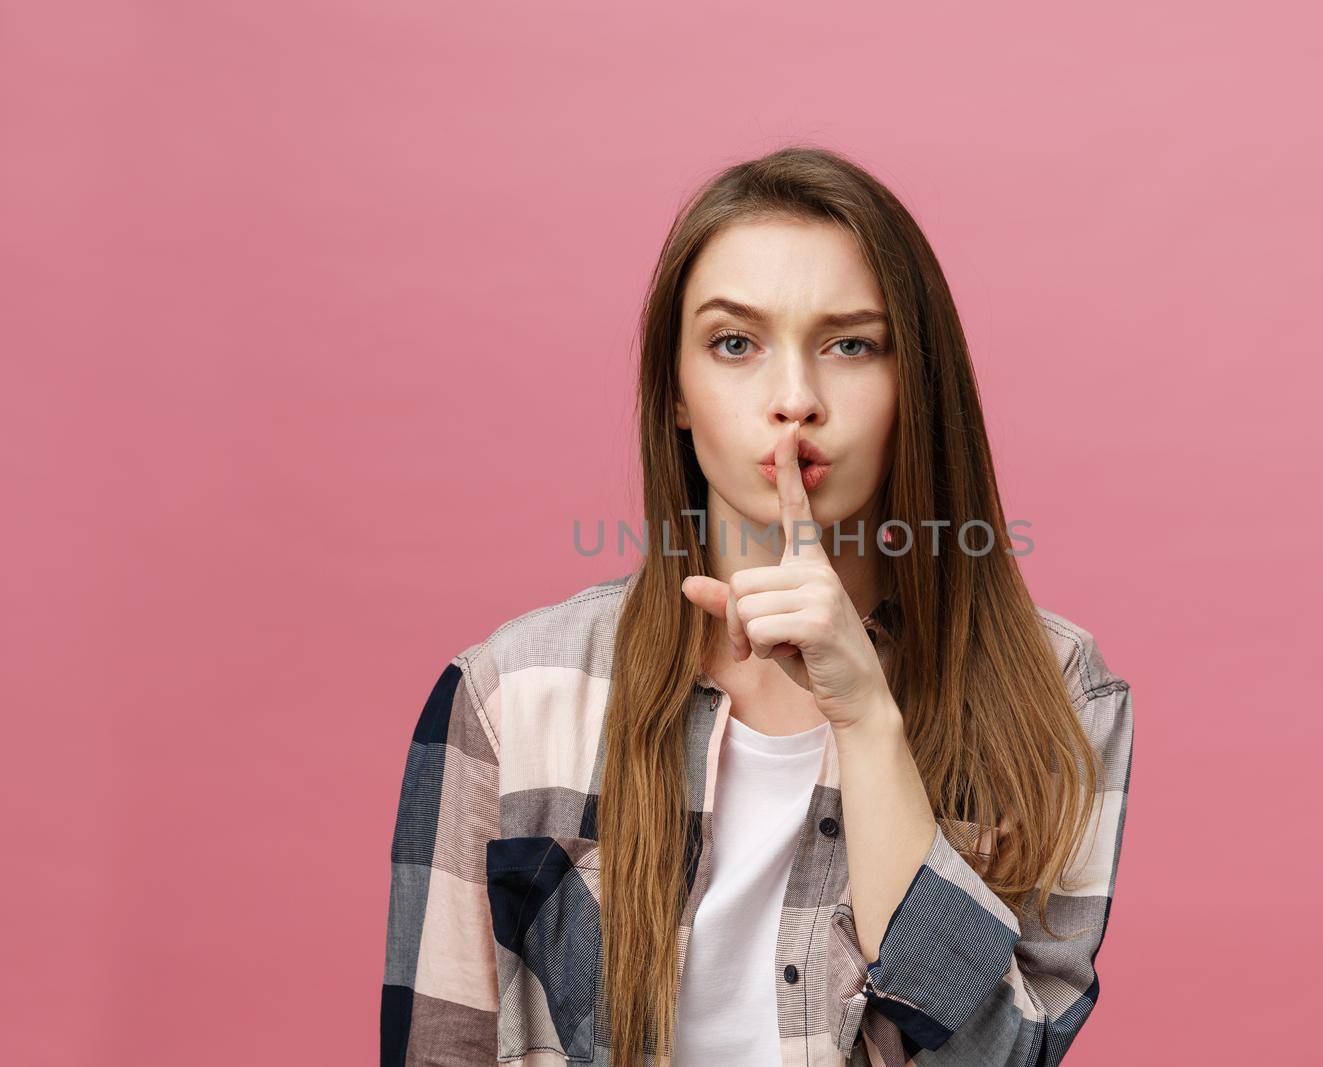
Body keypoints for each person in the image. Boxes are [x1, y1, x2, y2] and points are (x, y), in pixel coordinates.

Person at [381, 145, 1135, 1067]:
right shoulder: (509, 699)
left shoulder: (1059, 694)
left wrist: (866, 721)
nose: (794, 401)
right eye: (735, 344)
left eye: (850, 344)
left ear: (914, 388)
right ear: (676, 396)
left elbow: (999, 1055)